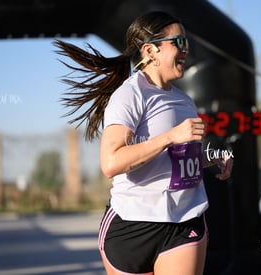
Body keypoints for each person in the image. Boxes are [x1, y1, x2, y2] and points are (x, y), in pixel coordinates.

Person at [54, 10, 233, 275]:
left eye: (187, 43)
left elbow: (174, 161)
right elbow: (111, 163)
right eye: (179, 43)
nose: (186, 50)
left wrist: (210, 160)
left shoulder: (185, 101)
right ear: (151, 51)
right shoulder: (130, 94)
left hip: (183, 222)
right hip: (133, 227)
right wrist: (171, 136)